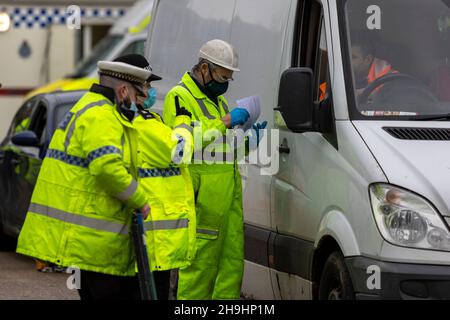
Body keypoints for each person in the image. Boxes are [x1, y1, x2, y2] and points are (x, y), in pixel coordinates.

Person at [16, 54, 153, 300]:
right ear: (123, 91)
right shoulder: (103, 115)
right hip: (95, 242)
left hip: (85, 240)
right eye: (137, 94)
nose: (138, 102)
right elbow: (106, 167)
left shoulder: (86, 106)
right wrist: (140, 199)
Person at [163, 39, 264, 300]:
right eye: (222, 77)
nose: (225, 84)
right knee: (198, 272)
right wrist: (227, 121)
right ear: (205, 68)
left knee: (230, 269)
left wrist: (249, 142)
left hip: (226, 201)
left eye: (229, 79)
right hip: (203, 204)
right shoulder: (180, 97)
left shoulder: (217, 101)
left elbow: (222, 151)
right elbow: (183, 145)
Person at [128, 55, 197, 300]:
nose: (151, 90)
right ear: (132, 88)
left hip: (150, 235)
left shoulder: (144, 120)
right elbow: (179, 152)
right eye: (146, 85)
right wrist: (183, 124)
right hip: (152, 238)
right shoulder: (142, 124)